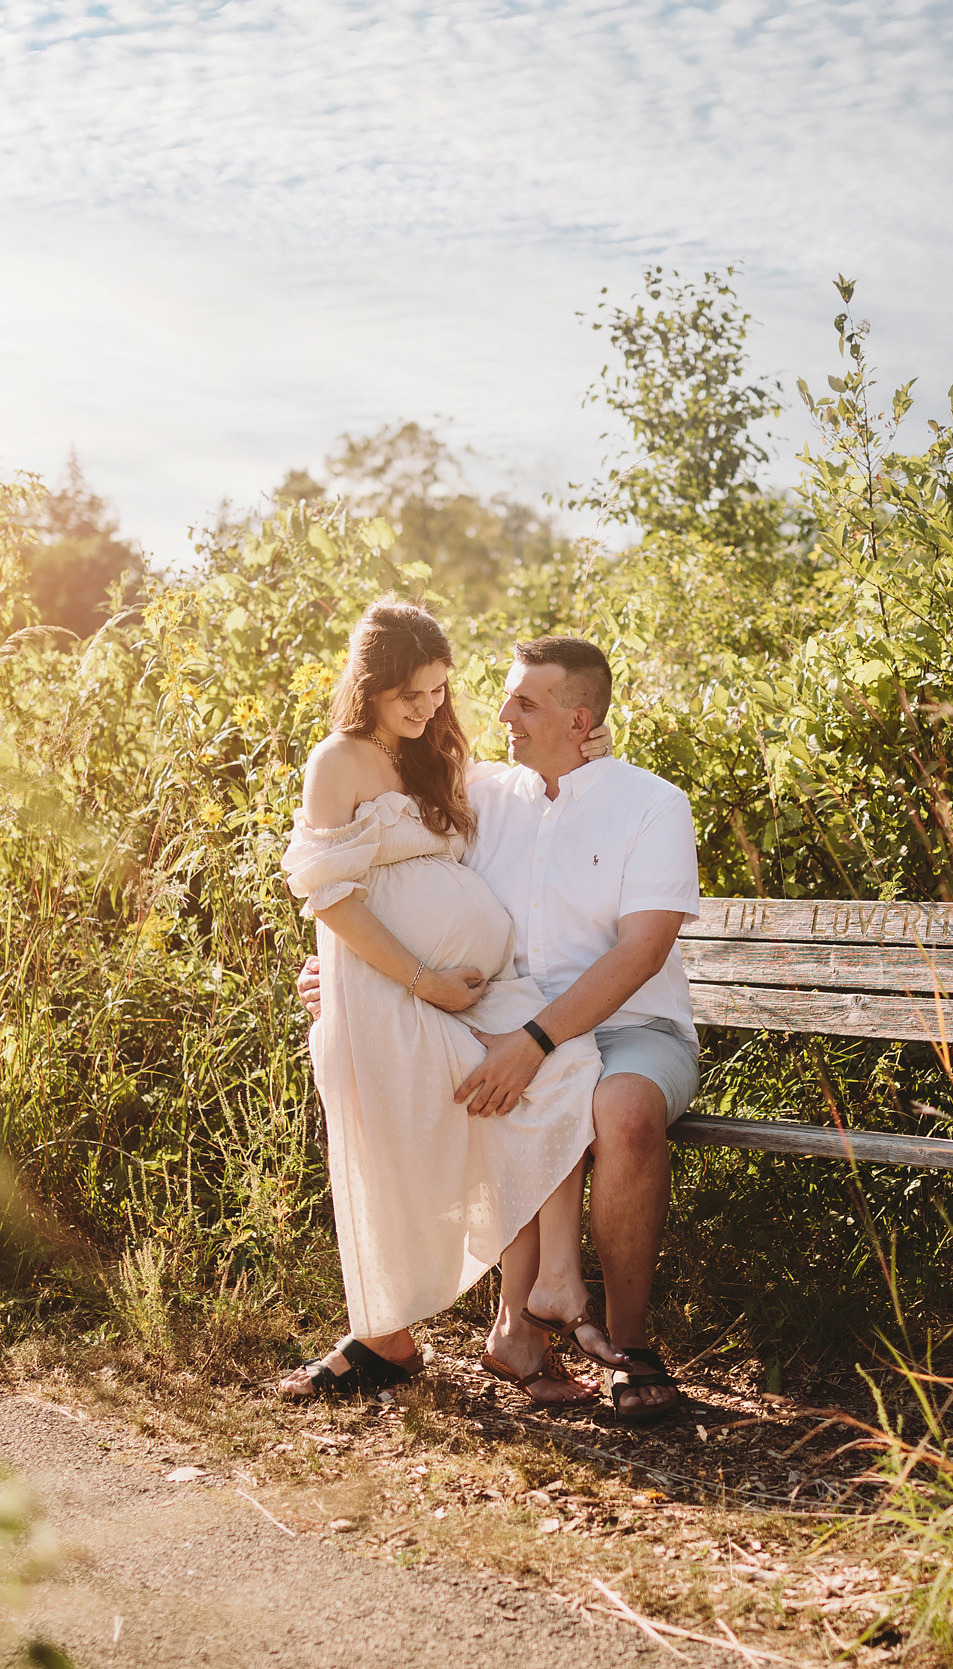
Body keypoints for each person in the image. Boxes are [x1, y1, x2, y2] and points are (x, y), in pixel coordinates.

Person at [303, 634, 700, 1421]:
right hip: (493, 1017)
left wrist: (537, 1040)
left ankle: (628, 1346)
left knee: (614, 1107)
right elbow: (387, 867)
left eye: (524, 701)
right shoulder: (487, 795)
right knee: (473, 1084)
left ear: (579, 716)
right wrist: (339, 971)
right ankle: (481, 1323)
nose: (500, 713)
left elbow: (641, 952)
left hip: (632, 1028)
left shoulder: (650, 802)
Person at [273, 600, 608, 1403]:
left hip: (467, 995)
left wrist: (593, 750)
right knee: (486, 1107)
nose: (428, 709)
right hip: (391, 994)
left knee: (565, 1062)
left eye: (438, 691)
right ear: (371, 686)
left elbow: (531, 790)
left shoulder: (441, 757)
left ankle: (543, 1289)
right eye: (409, 695)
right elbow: (330, 897)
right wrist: (421, 977)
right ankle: (398, 1329)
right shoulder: (339, 760)